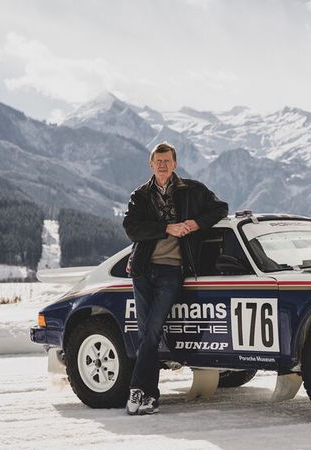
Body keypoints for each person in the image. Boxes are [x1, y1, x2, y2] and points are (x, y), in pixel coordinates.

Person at [122, 142, 228, 415]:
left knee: (153, 330)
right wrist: (166, 227)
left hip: (171, 270)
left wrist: (195, 224)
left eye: (167, 160)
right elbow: (131, 228)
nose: (162, 165)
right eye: (158, 161)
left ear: (175, 164)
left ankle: (136, 391)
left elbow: (220, 208)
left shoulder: (191, 190)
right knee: (147, 333)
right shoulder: (141, 195)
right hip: (143, 270)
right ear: (150, 164)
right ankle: (149, 397)